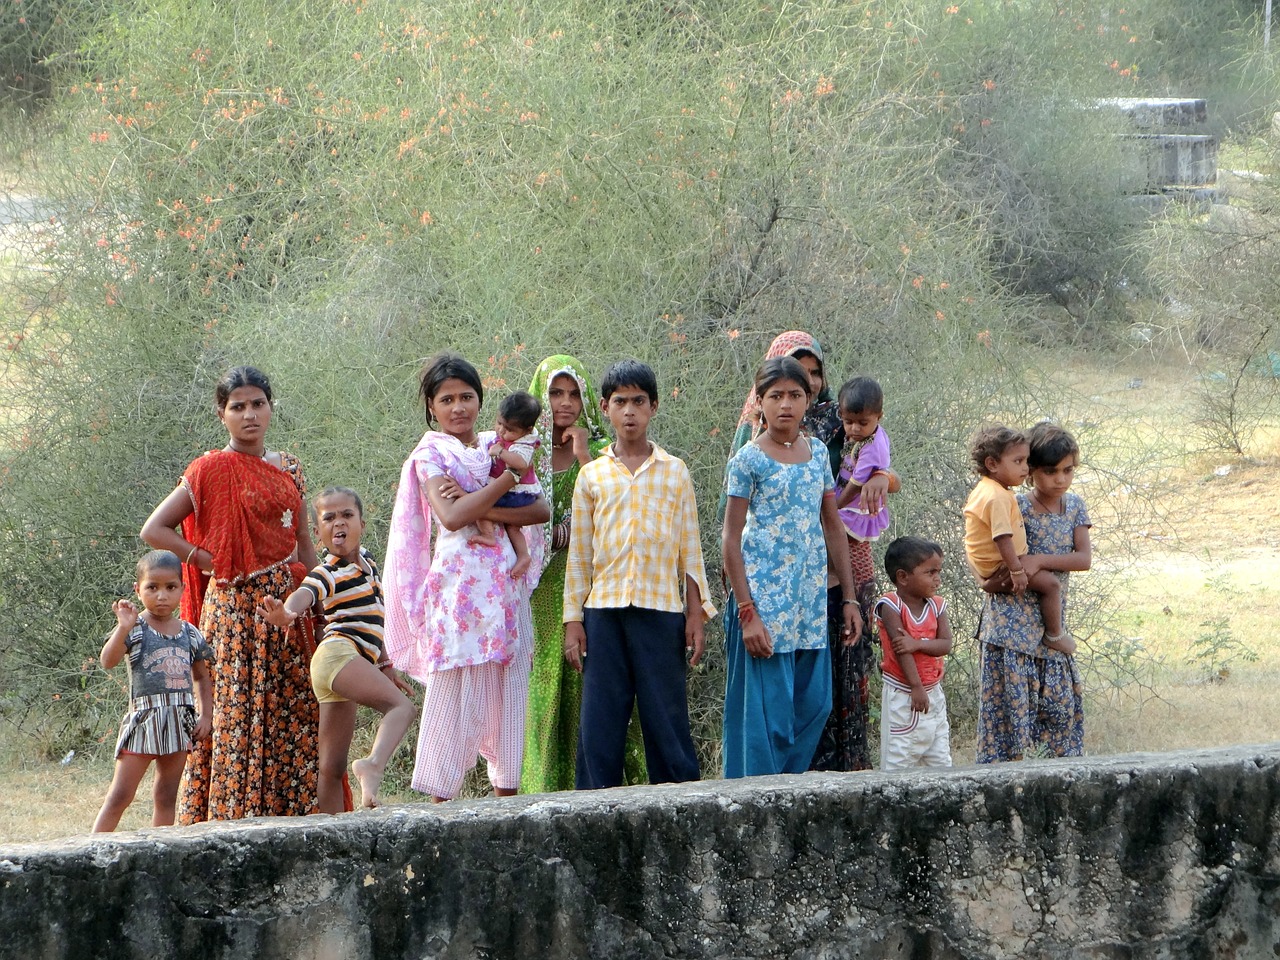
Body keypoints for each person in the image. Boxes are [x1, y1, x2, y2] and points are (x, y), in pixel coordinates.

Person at [141, 365, 323, 822]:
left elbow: (304, 545)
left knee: (292, 714)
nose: (249, 415)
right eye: (237, 407)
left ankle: (293, 821)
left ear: (270, 407)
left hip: (287, 609)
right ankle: (229, 824)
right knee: (235, 719)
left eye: (257, 404)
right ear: (222, 414)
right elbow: (154, 529)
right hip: (234, 615)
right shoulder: (209, 470)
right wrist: (202, 558)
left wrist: (326, 597)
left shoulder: (290, 468)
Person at [383, 353, 550, 801]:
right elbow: (452, 517)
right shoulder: (431, 455)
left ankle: (506, 802)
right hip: (458, 593)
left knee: (507, 690)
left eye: (467, 396)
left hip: (504, 589)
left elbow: (538, 509)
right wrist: (504, 482)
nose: (459, 407)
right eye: (447, 399)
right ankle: (442, 808)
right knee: (452, 691)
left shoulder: (503, 444)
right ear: (432, 408)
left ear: (481, 400)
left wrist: (485, 498)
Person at [563, 358, 715, 789]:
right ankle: (592, 817)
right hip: (604, 613)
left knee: (666, 719)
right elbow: (580, 554)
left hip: (661, 612)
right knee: (600, 725)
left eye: (638, 402)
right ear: (605, 408)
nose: (629, 411)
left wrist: (694, 615)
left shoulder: (674, 472)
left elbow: (690, 548)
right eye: (620, 402)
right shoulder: (592, 476)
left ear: (653, 407)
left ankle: (680, 810)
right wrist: (573, 619)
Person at [721, 357, 859, 778]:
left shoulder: (817, 452)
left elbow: (833, 525)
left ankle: (786, 797)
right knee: (764, 723)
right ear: (758, 402)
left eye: (795, 395)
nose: (785, 405)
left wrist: (849, 598)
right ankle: (751, 807)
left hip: (808, 608)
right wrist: (747, 614)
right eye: (775, 396)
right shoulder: (748, 460)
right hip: (762, 609)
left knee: (813, 707)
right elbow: (730, 538)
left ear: (809, 399)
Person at [521, 355, 646, 794]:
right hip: (534, 591)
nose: (566, 403)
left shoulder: (600, 457)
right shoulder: (524, 456)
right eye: (556, 393)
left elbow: (615, 520)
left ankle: (597, 795)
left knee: (588, 691)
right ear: (540, 397)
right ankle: (540, 794)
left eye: (574, 393)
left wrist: (580, 454)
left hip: (589, 591)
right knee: (540, 696)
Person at [257, 487, 416, 812]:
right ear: (318, 533)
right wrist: (287, 614)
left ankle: (331, 834)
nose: (338, 523)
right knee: (402, 708)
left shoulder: (368, 563)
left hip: (338, 664)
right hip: (338, 655)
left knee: (331, 767)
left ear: (362, 523)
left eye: (346, 515)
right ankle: (372, 765)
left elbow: (373, 617)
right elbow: (304, 595)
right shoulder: (327, 572)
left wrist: (385, 665)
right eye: (329, 518)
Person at [977, 422, 1091, 762]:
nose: (1060, 479)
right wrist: (989, 580)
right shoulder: (1015, 506)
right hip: (1012, 628)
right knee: (1009, 722)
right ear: (1029, 471)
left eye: (1068, 470)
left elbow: (1083, 558)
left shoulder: (1074, 507)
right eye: (1049, 471)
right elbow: (988, 546)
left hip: (1049, 630)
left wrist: (1038, 560)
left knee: (1058, 716)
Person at [93, 550, 213, 832]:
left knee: (166, 794)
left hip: (179, 722)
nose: (162, 596)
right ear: (138, 590)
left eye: (170, 587)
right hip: (144, 721)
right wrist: (122, 627)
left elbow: (202, 678)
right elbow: (107, 661)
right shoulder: (134, 629)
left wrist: (205, 715)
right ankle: (90, 851)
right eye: (152, 587)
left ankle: (161, 850)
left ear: (182, 589)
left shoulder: (190, 633)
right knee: (121, 795)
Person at [963, 424, 1071, 652]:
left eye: (1027, 461)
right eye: (1018, 461)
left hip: (989, 566)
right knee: (1051, 585)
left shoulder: (987, 489)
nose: (1025, 469)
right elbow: (1002, 537)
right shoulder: (996, 497)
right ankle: (1054, 635)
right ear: (992, 464)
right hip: (1002, 565)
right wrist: (1016, 570)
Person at [874, 536, 953, 770]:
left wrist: (917, 644)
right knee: (899, 760)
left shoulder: (937, 605)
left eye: (939, 572)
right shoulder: (890, 605)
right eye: (930, 573)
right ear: (903, 577)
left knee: (940, 760)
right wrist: (916, 686)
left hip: (933, 693)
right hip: (905, 694)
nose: (937, 579)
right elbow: (901, 649)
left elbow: (945, 644)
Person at [472, 391, 543, 579]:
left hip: (516, 492)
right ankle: (523, 555)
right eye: (499, 423)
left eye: (509, 429)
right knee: (513, 527)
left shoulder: (525, 444)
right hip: (515, 492)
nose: (501, 431)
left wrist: (500, 452)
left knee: (481, 504)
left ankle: (488, 534)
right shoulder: (511, 436)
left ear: (527, 430)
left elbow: (521, 463)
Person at [834, 376, 896, 583]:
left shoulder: (872, 446)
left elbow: (857, 482)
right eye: (848, 422)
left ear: (879, 416)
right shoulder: (860, 437)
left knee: (852, 555)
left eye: (863, 423)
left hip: (854, 506)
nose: (855, 429)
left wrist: (836, 507)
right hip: (844, 498)